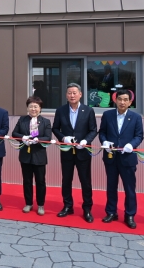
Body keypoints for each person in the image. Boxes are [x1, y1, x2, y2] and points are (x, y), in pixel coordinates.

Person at [52, 83, 98, 223]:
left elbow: (93, 130)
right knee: (66, 180)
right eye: (69, 93)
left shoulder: (88, 110)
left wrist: (86, 141)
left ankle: (87, 208)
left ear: (80, 94)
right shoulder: (61, 110)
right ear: (66, 95)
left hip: (83, 152)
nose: (72, 95)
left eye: (74, 93)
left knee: (85, 180)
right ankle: (67, 206)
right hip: (66, 151)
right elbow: (55, 128)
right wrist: (63, 138)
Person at [99, 89, 143, 229]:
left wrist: (131, 144)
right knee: (111, 186)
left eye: (125, 100)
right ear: (115, 100)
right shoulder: (107, 115)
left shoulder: (136, 117)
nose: (122, 102)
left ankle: (130, 214)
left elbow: (139, 135)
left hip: (128, 158)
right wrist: (105, 142)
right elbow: (103, 133)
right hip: (111, 157)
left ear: (130, 102)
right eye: (120, 99)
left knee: (129, 188)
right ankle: (111, 212)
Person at [12, 96, 52, 216]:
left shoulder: (46, 122)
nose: (33, 109)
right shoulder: (22, 119)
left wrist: (37, 139)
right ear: (27, 108)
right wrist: (23, 138)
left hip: (39, 155)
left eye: (36, 106)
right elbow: (14, 133)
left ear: (40, 108)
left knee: (40, 181)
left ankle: (40, 204)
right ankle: (28, 203)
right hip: (25, 155)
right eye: (31, 106)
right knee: (27, 181)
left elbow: (48, 137)